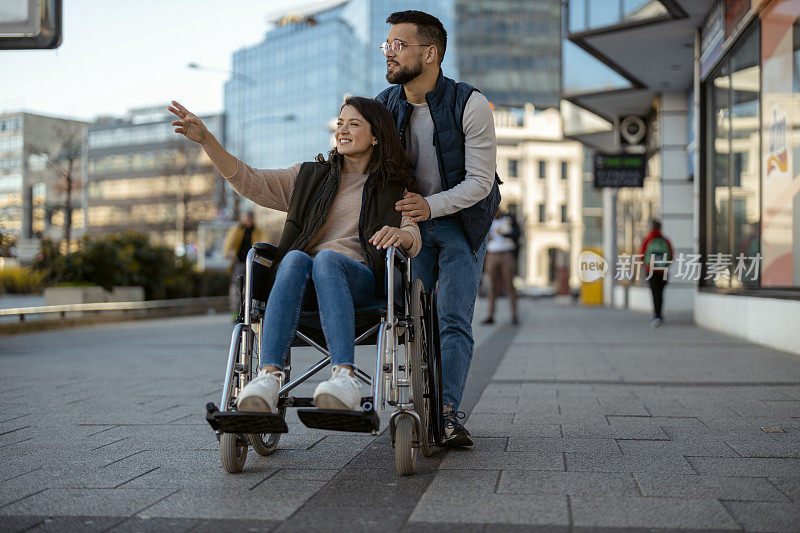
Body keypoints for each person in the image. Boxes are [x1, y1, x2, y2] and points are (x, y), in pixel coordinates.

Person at [168, 97, 421, 412]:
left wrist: (401, 234)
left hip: (359, 284)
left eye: (354, 124)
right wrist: (207, 141)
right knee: (294, 257)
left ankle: (344, 377)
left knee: (327, 258)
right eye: (340, 123)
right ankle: (267, 378)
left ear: (376, 136)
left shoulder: (393, 188)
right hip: (305, 286)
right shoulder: (308, 178)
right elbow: (250, 182)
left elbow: (413, 236)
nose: (343, 130)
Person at [377, 10, 500, 447]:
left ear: (430, 54)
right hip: (411, 226)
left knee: (452, 319)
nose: (389, 52)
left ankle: (447, 413)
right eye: (387, 44)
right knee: (408, 319)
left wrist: (432, 206)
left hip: (463, 224)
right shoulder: (385, 106)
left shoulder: (470, 104)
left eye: (399, 45)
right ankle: (411, 405)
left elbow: (480, 183)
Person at [223, 210, 267, 312]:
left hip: (253, 263)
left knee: (252, 287)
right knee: (238, 287)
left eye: (249, 218)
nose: (247, 221)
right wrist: (227, 253)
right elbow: (229, 242)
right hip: (239, 263)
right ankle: (236, 311)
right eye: (246, 218)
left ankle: (251, 310)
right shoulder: (236, 230)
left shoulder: (258, 230)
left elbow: (265, 241)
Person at [482, 210, 520, 326]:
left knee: (509, 285)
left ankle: (514, 315)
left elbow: (517, 233)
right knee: (492, 286)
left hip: (506, 252)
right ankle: (490, 315)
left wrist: (504, 234)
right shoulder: (487, 219)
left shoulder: (508, 219)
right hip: (492, 253)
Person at [639, 219, 673, 328]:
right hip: (663, 271)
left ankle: (656, 315)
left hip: (651, 271)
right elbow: (671, 255)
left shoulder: (647, 240)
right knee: (660, 293)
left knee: (655, 293)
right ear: (660, 228)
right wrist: (665, 265)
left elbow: (642, 255)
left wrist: (647, 265)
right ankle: (659, 314)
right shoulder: (665, 240)